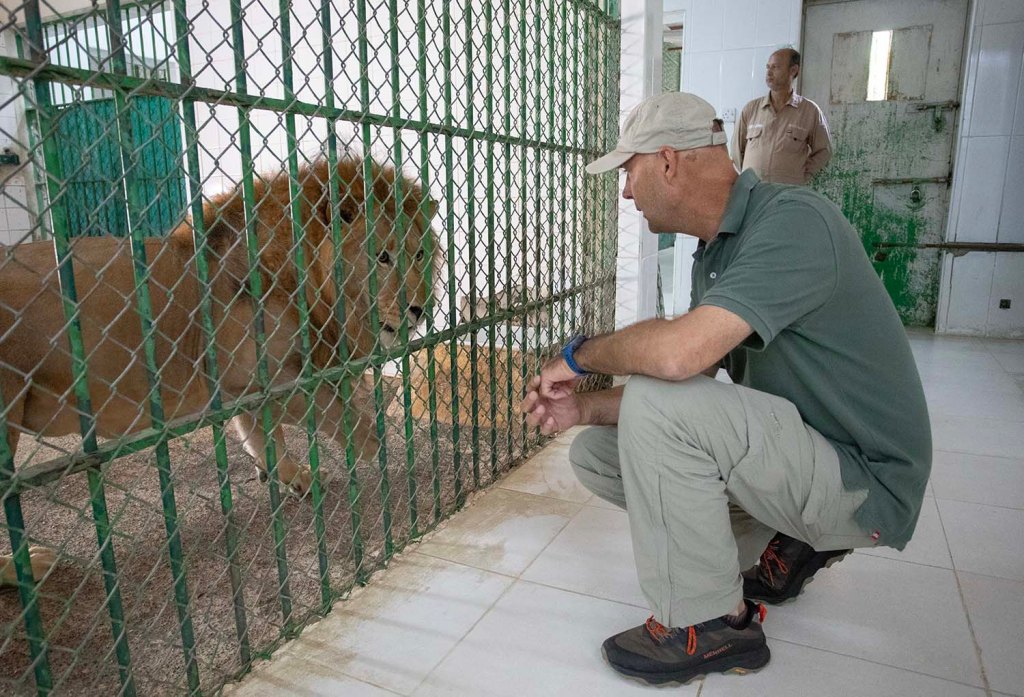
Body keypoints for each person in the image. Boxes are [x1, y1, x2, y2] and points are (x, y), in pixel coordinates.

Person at [520, 91, 930, 685]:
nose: (626, 192)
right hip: (807, 451)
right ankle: (783, 542)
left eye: (629, 172)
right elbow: (691, 388)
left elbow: (675, 359)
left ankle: (710, 624)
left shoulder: (794, 221)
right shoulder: (715, 254)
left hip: (866, 480)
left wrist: (578, 356)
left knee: (659, 398)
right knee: (598, 454)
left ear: (667, 161)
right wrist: (581, 408)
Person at [732, 48, 832, 184]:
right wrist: (747, 179)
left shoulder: (809, 111)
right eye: (768, 67)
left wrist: (802, 176)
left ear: (793, 70)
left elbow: (823, 151)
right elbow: (737, 151)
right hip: (753, 190)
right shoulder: (751, 109)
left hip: (788, 192)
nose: (769, 72)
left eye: (775, 67)